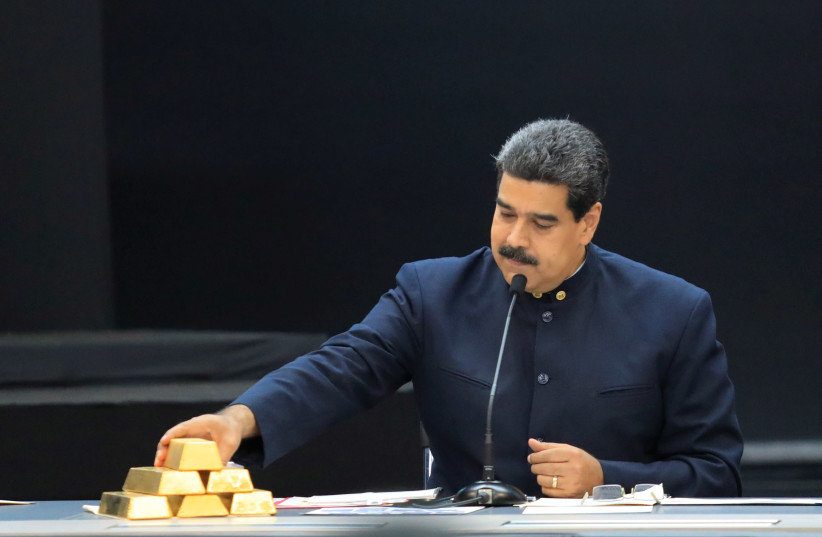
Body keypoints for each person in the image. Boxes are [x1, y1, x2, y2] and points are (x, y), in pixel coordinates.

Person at [155, 119, 743, 498]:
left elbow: (717, 474)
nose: (514, 237)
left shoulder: (674, 311)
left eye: (541, 223)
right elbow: (343, 367)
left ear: (587, 222)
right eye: (505, 211)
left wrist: (607, 478)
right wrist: (239, 419)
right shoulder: (431, 292)